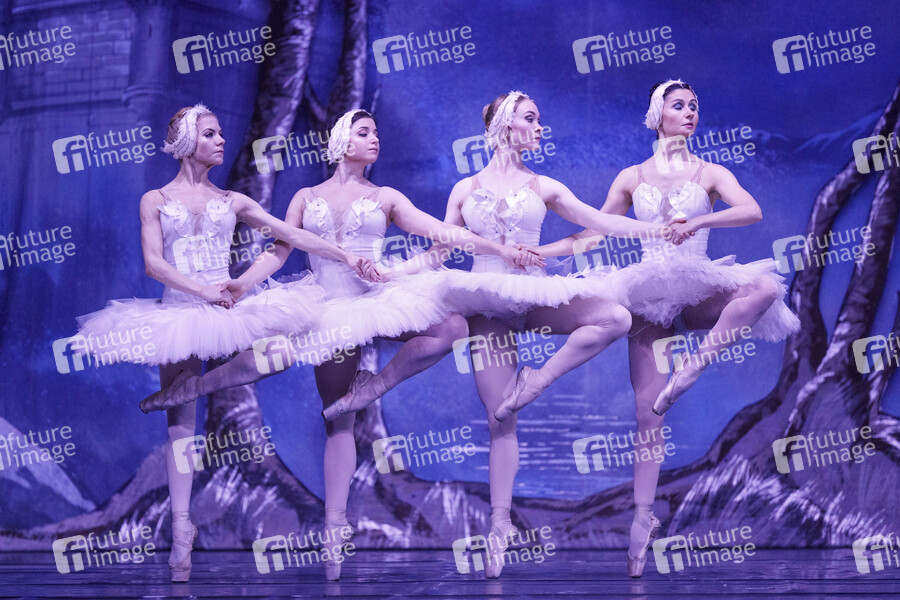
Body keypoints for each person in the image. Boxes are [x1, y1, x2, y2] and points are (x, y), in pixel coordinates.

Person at [139, 108, 542, 580]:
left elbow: (441, 234)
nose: (375, 139)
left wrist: (495, 249)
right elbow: (281, 247)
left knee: (450, 328)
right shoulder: (304, 196)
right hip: (323, 309)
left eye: (377, 132)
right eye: (365, 132)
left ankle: (373, 387)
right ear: (341, 140)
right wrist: (243, 284)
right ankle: (329, 530)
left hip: (375, 299)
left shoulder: (385, 196)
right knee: (335, 417)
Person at [75, 104, 378, 582]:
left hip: (226, 305)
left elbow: (289, 235)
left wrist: (344, 255)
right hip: (181, 309)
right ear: (186, 141)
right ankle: (181, 528)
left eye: (220, 133)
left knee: (280, 352)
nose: (221, 140)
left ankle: (195, 387)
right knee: (181, 426)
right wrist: (202, 292)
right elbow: (154, 264)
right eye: (210, 134)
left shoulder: (234, 200)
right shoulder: (155, 199)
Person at [533, 80, 800, 577]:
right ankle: (642, 522)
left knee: (763, 288)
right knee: (647, 413)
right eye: (680, 105)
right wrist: (541, 253)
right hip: (648, 293)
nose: (690, 112)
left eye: (695, 106)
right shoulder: (631, 177)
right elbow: (593, 233)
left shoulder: (710, 171)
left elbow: (751, 210)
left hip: (696, 285)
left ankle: (694, 366)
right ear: (658, 115)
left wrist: (699, 223)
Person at [438, 91, 666, 578]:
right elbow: (440, 247)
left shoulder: (544, 185)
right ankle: (500, 525)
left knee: (615, 318)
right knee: (499, 419)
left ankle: (537, 378)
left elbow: (598, 223)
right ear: (506, 124)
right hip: (485, 299)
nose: (540, 127)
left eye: (540, 118)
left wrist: (654, 230)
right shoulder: (464, 189)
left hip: (535, 293)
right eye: (531, 118)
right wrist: (392, 275)